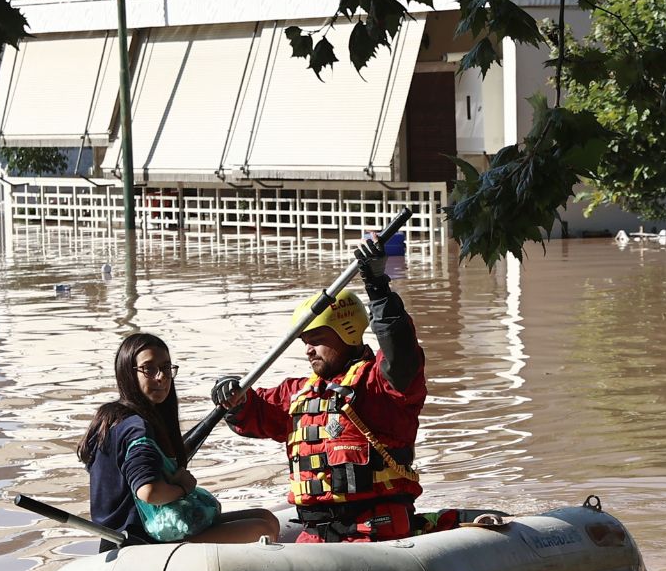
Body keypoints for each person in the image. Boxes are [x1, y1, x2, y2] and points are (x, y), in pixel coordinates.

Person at [212, 235, 426, 542]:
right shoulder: (297, 394)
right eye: (305, 342)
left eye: (317, 340)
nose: (308, 351)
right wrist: (230, 396)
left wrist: (377, 286)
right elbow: (253, 414)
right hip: (314, 536)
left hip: (373, 532)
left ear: (348, 334)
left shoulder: (380, 384)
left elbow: (402, 353)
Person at [78, 332, 280, 550]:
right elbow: (149, 492)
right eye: (149, 369)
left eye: (166, 368)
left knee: (266, 517)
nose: (161, 377)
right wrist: (184, 487)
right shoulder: (136, 427)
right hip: (141, 544)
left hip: (124, 536)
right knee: (263, 529)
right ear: (129, 374)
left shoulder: (109, 419)